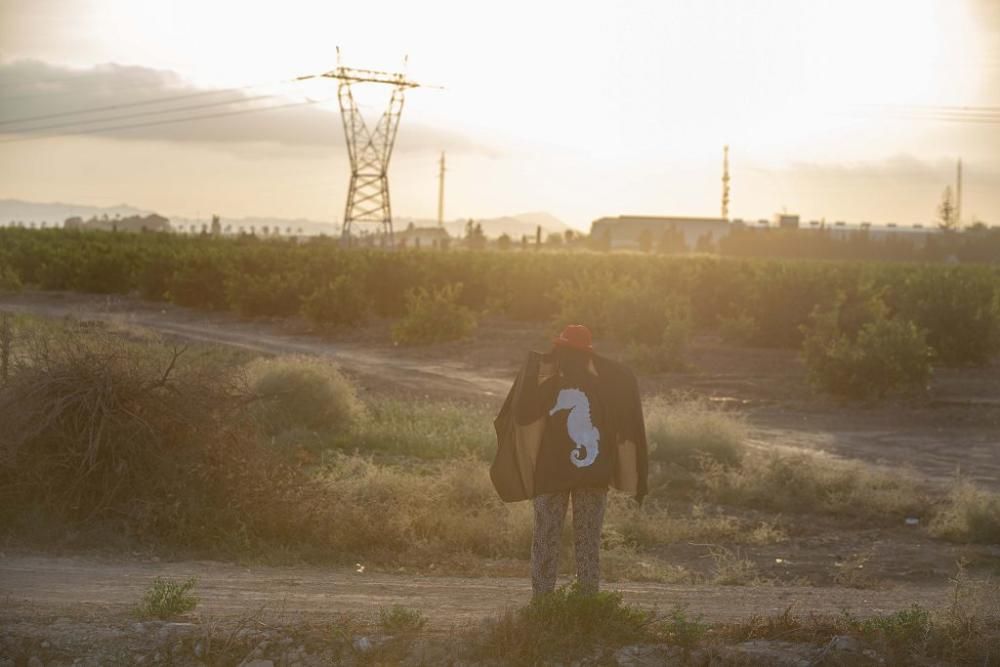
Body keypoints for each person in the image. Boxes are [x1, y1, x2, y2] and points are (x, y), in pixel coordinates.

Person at [491, 324, 648, 597]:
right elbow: (625, 425)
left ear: (561, 350)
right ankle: (586, 601)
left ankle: (543, 601)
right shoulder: (609, 385)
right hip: (593, 472)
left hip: (552, 472)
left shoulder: (551, 382)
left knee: (546, 536)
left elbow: (523, 415)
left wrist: (533, 373)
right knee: (587, 540)